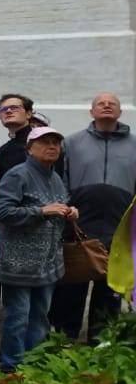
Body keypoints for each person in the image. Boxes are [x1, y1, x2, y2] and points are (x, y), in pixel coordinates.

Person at [0, 127, 75, 372]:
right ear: (29, 148)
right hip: (17, 263)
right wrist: (41, 211)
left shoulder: (55, 177)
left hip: (47, 262)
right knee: (18, 318)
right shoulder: (18, 175)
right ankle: (11, 367)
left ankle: (33, 365)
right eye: (44, 142)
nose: (52, 146)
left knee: (40, 317)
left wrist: (69, 212)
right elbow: (1, 212)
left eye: (56, 143)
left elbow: (57, 209)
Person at [55, 93, 133, 342]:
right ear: (91, 112)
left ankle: (101, 342)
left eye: (113, 103)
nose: (107, 105)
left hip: (119, 228)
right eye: (101, 103)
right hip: (79, 226)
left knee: (109, 288)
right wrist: (66, 209)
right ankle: (63, 338)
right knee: (72, 286)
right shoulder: (72, 143)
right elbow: (60, 180)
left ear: (120, 112)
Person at [0, 93, 36, 184]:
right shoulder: (3, 150)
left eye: (14, 108)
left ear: (28, 114)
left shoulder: (41, 142)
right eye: (3, 109)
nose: (8, 111)